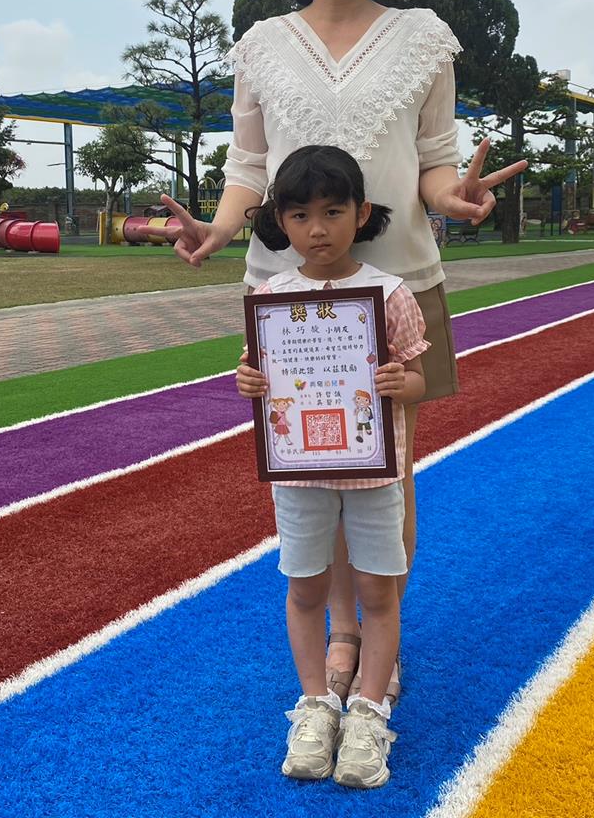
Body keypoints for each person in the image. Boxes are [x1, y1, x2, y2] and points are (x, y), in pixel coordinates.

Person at [145, 0, 526, 708]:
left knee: (387, 470)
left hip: (396, 286)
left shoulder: (423, 36)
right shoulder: (261, 44)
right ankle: (342, 635)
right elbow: (249, 164)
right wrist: (219, 226)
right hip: (289, 299)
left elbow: (432, 160)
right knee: (313, 466)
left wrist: (453, 198)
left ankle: (378, 634)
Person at [238, 145, 428, 788]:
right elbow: (259, 374)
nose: (316, 229)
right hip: (300, 476)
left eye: (332, 212)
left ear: (361, 213)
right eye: (299, 215)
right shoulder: (271, 297)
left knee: (378, 592)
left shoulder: (389, 293)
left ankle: (369, 712)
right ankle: (316, 705)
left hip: (373, 475)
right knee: (304, 589)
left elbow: (418, 378)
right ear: (281, 221)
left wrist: (401, 383)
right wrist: (248, 382)